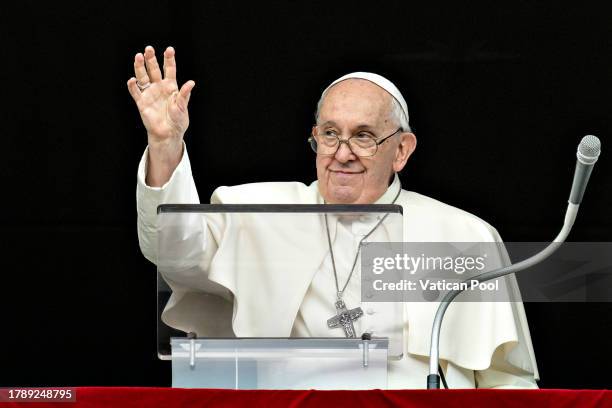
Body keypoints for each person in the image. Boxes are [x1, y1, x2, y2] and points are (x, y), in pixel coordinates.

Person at [129, 45, 539, 388]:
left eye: (363, 136)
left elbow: (508, 381)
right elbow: (172, 252)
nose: (342, 153)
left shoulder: (462, 234)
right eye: (329, 134)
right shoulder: (254, 211)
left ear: (401, 150)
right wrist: (165, 145)